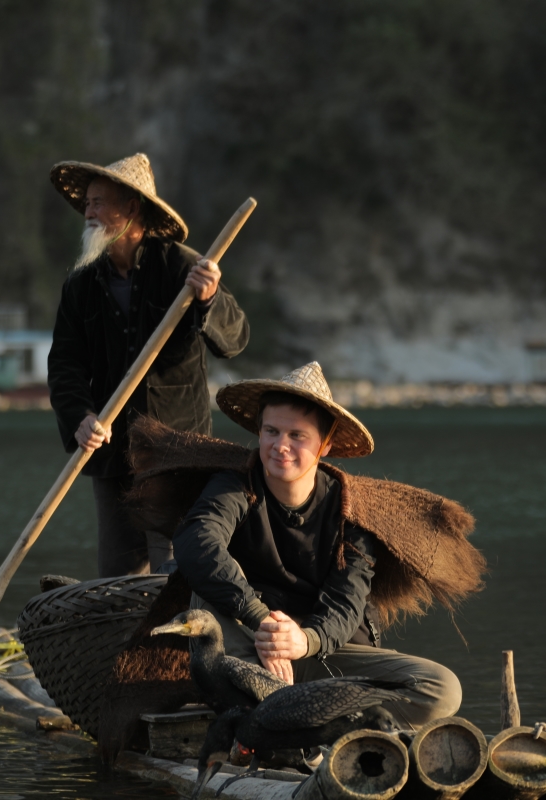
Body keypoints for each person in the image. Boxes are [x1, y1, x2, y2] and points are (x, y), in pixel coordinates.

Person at [170, 362, 473, 728]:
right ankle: (283, 712)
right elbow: (197, 541)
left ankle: (312, 715)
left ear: (324, 445)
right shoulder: (235, 485)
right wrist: (260, 619)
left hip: (322, 651)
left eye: (297, 436)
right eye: (271, 431)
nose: (280, 446)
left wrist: (304, 642)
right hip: (251, 646)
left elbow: (345, 603)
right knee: (205, 596)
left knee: (442, 689)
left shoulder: (352, 510)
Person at [47, 152, 249, 577]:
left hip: (175, 453)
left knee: (175, 574)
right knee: (118, 580)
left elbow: (235, 339)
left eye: (99, 202)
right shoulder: (81, 284)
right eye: (87, 203)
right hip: (111, 452)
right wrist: (80, 417)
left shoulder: (182, 267)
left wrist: (209, 299)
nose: (88, 211)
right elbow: (65, 364)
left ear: (133, 208)